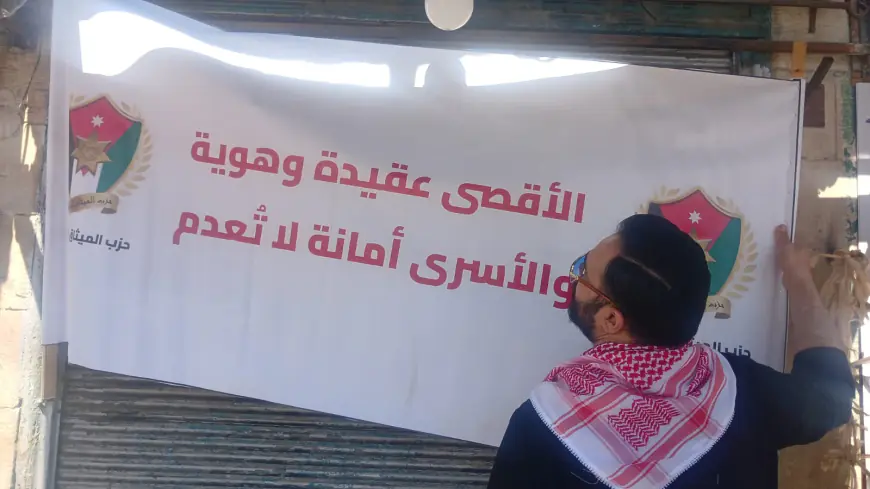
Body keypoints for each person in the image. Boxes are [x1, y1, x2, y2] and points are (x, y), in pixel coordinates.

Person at [487, 214, 854, 489]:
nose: (574, 276)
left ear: (611, 319)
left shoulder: (541, 427)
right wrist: (798, 278)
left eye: (582, 271)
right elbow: (831, 398)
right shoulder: (742, 389)